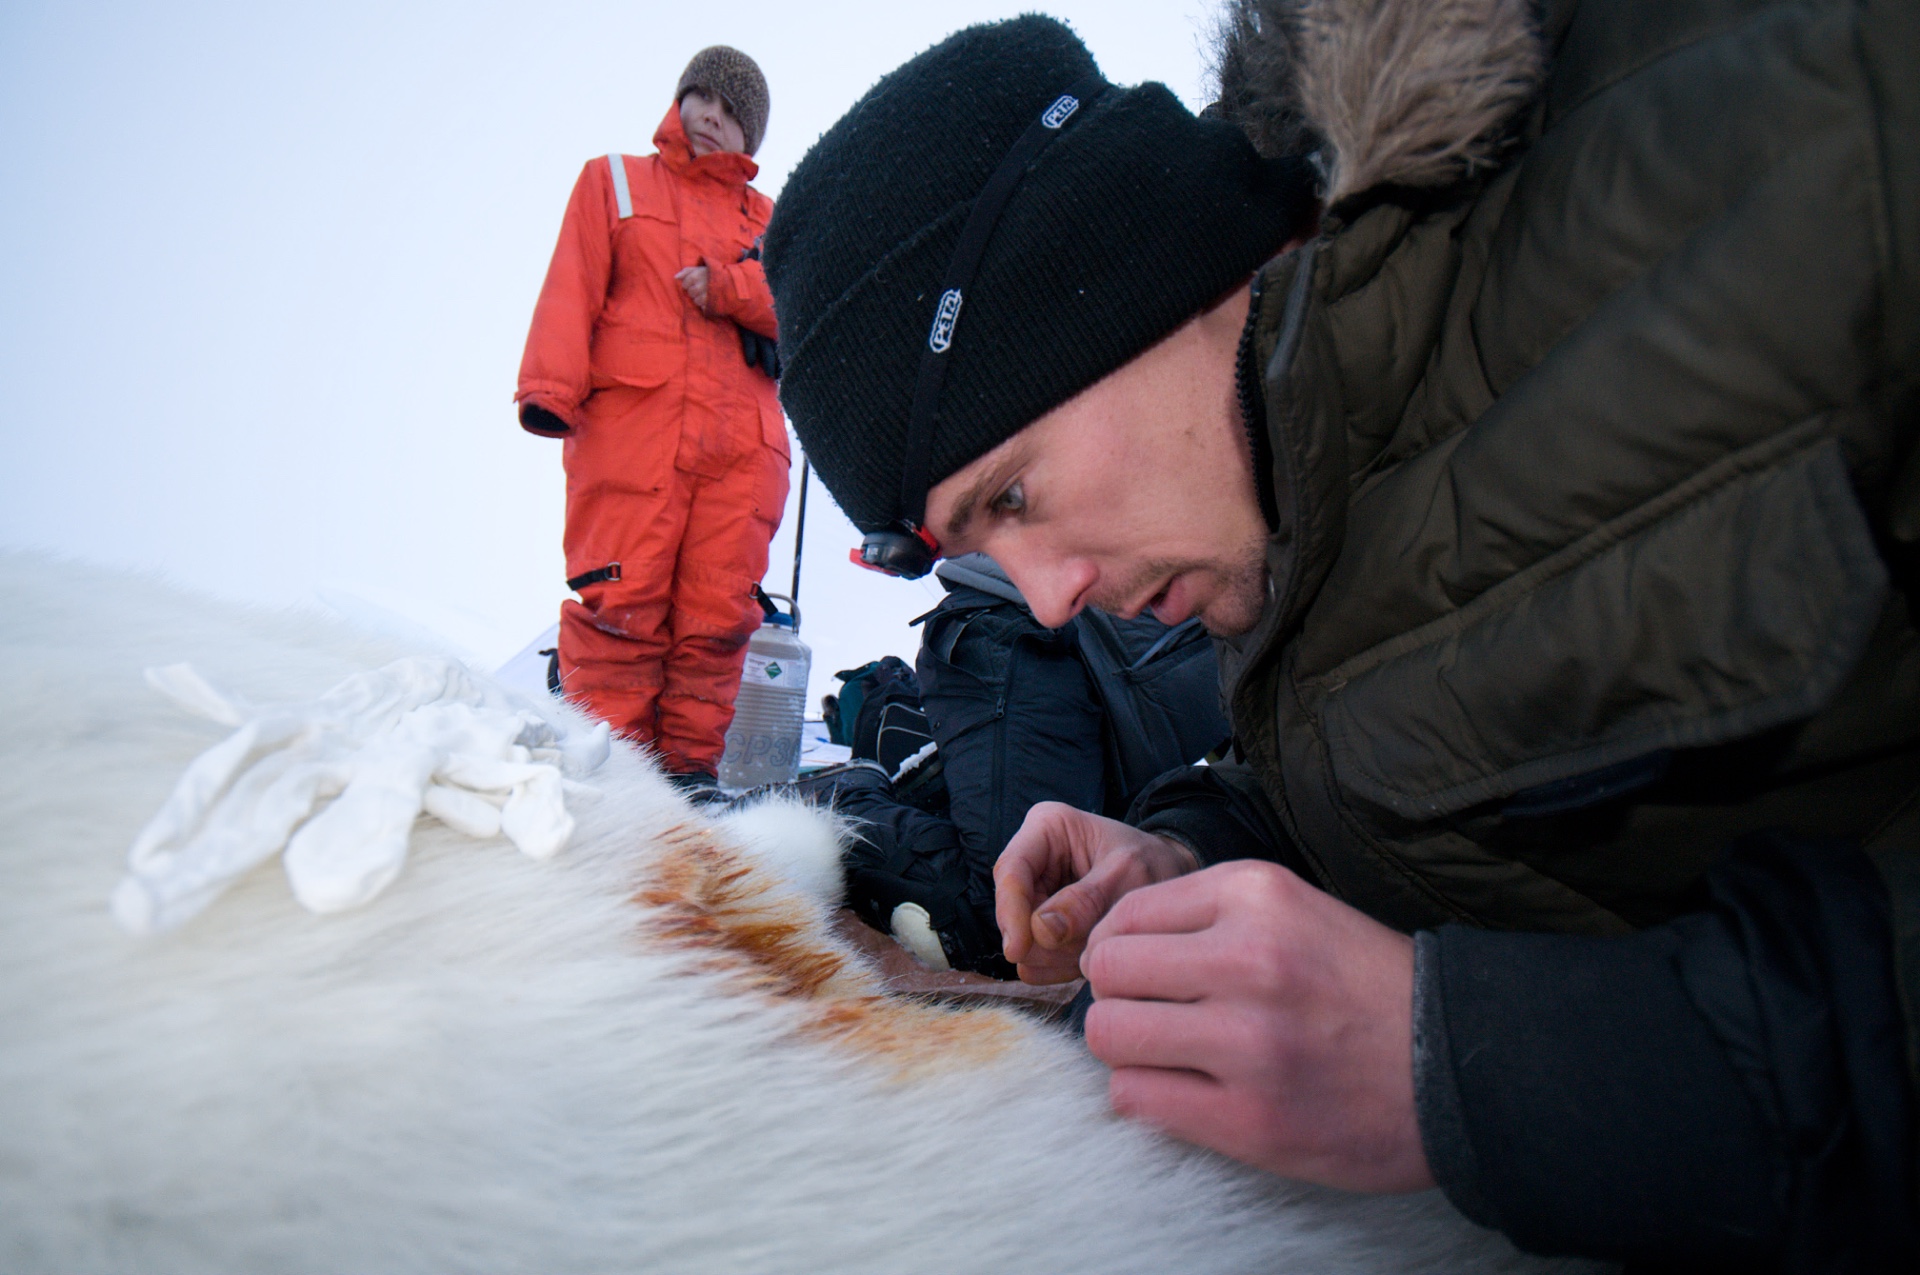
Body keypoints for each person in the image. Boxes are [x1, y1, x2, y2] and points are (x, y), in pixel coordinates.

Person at [762, 7, 1920, 1269]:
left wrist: (1473, 1069)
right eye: (981, 552)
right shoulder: (1293, 498)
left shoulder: (1811, 141)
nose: (1043, 601)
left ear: (1127, 279)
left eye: (1014, 496)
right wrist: (1193, 852)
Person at [516, 46, 788, 788]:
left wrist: (731, 287)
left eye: (732, 112)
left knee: (717, 621)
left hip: (743, 453)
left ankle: (690, 783)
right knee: (622, 608)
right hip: (634, 436)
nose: (711, 116)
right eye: (702, 97)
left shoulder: (775, 220)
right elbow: (571, 285)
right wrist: (550, 387)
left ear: (750, 137)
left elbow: (804, 305)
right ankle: (616, 781)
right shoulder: (613, 180)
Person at [812, 553, 1228, 976]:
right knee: (1010, 920)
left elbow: (1259, 778)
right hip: (1023, 630)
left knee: (1073, 902)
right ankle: (841, 794)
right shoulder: (1257, 566)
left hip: (1121, 728)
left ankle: (948, 768)